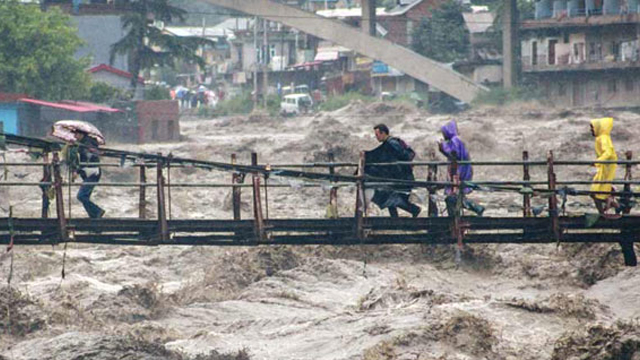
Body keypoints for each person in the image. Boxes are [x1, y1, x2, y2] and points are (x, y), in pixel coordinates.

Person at [364, 124, 421, 218]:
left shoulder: (392, 144)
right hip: (397, 177)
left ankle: (414, 210)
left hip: (402, 177)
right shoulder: (389, 144)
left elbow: (403, 157)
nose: (376, 137)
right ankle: (395, 219)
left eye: (377, 135)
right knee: (390, 198)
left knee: (392, 198)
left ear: (383, 133)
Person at [438, 120, 484, 216]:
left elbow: (454, 154)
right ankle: (461, 214)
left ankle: (475, 208)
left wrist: (442, 146)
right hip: (458, 170)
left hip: (459, 172)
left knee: (454, 196)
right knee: (456, 197)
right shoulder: (455, 140)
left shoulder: (455, 140)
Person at [589, 117, 619, 214]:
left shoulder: (603, 138)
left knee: (596, 192)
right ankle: (613, 206)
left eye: (592, 128)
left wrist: (598, 161)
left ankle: (603, 212)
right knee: (598, 192)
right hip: (604, 167)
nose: (591, 130)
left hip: (607, 167)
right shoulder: (601, 138)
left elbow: (608, 153)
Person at [75, 131, 105, 219]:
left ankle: (98, 211)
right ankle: (94, 216)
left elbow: (87, 159)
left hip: (92, 172)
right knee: (85, 197)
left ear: (81, 134)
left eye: (76, 134)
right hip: (91, 172)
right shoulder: (85, 142)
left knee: (81, 196)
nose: (75, 136)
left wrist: (77, 171)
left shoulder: (87, 143)